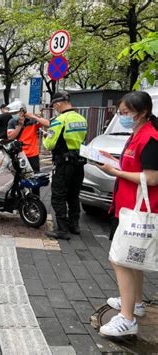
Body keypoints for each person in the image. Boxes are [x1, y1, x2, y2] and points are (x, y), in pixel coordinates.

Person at [97, 91, 158, 337]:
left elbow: (153, 178)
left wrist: (116, 172)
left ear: (142, 113)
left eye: (125, 113)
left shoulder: (151, 138)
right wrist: (112, 162)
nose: (121, 117)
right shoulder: (137, 134)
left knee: (120, 259)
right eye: (119, 113)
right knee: (133, 258)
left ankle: (127, 318)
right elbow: (134, 165)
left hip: (139, 209)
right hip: (127, 207)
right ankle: (136, 303)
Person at [43, 92, 87, 240]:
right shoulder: (81, 119)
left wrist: (45, 137)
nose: (55, 108)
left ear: (59, 103)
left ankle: (62, 230)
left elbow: (49, 144)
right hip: (79, 163)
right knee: (74, 195)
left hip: (63, 164)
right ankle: (74, 226)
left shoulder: (58, 120)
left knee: (58, 196)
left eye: (54, 105)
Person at [6, 100, 50, 195]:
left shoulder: (32, 120)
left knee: (35, 180)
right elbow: (10, 137)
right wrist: (20, 125)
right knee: (20, 180)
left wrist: (34, 116)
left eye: (16, 112)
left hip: (33, 155)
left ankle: (35, 201)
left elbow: (47, 124)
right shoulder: (12, 122)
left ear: (23, 111)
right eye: (13, 113)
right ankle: (21, 201)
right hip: (19, 155)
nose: (14, 115)